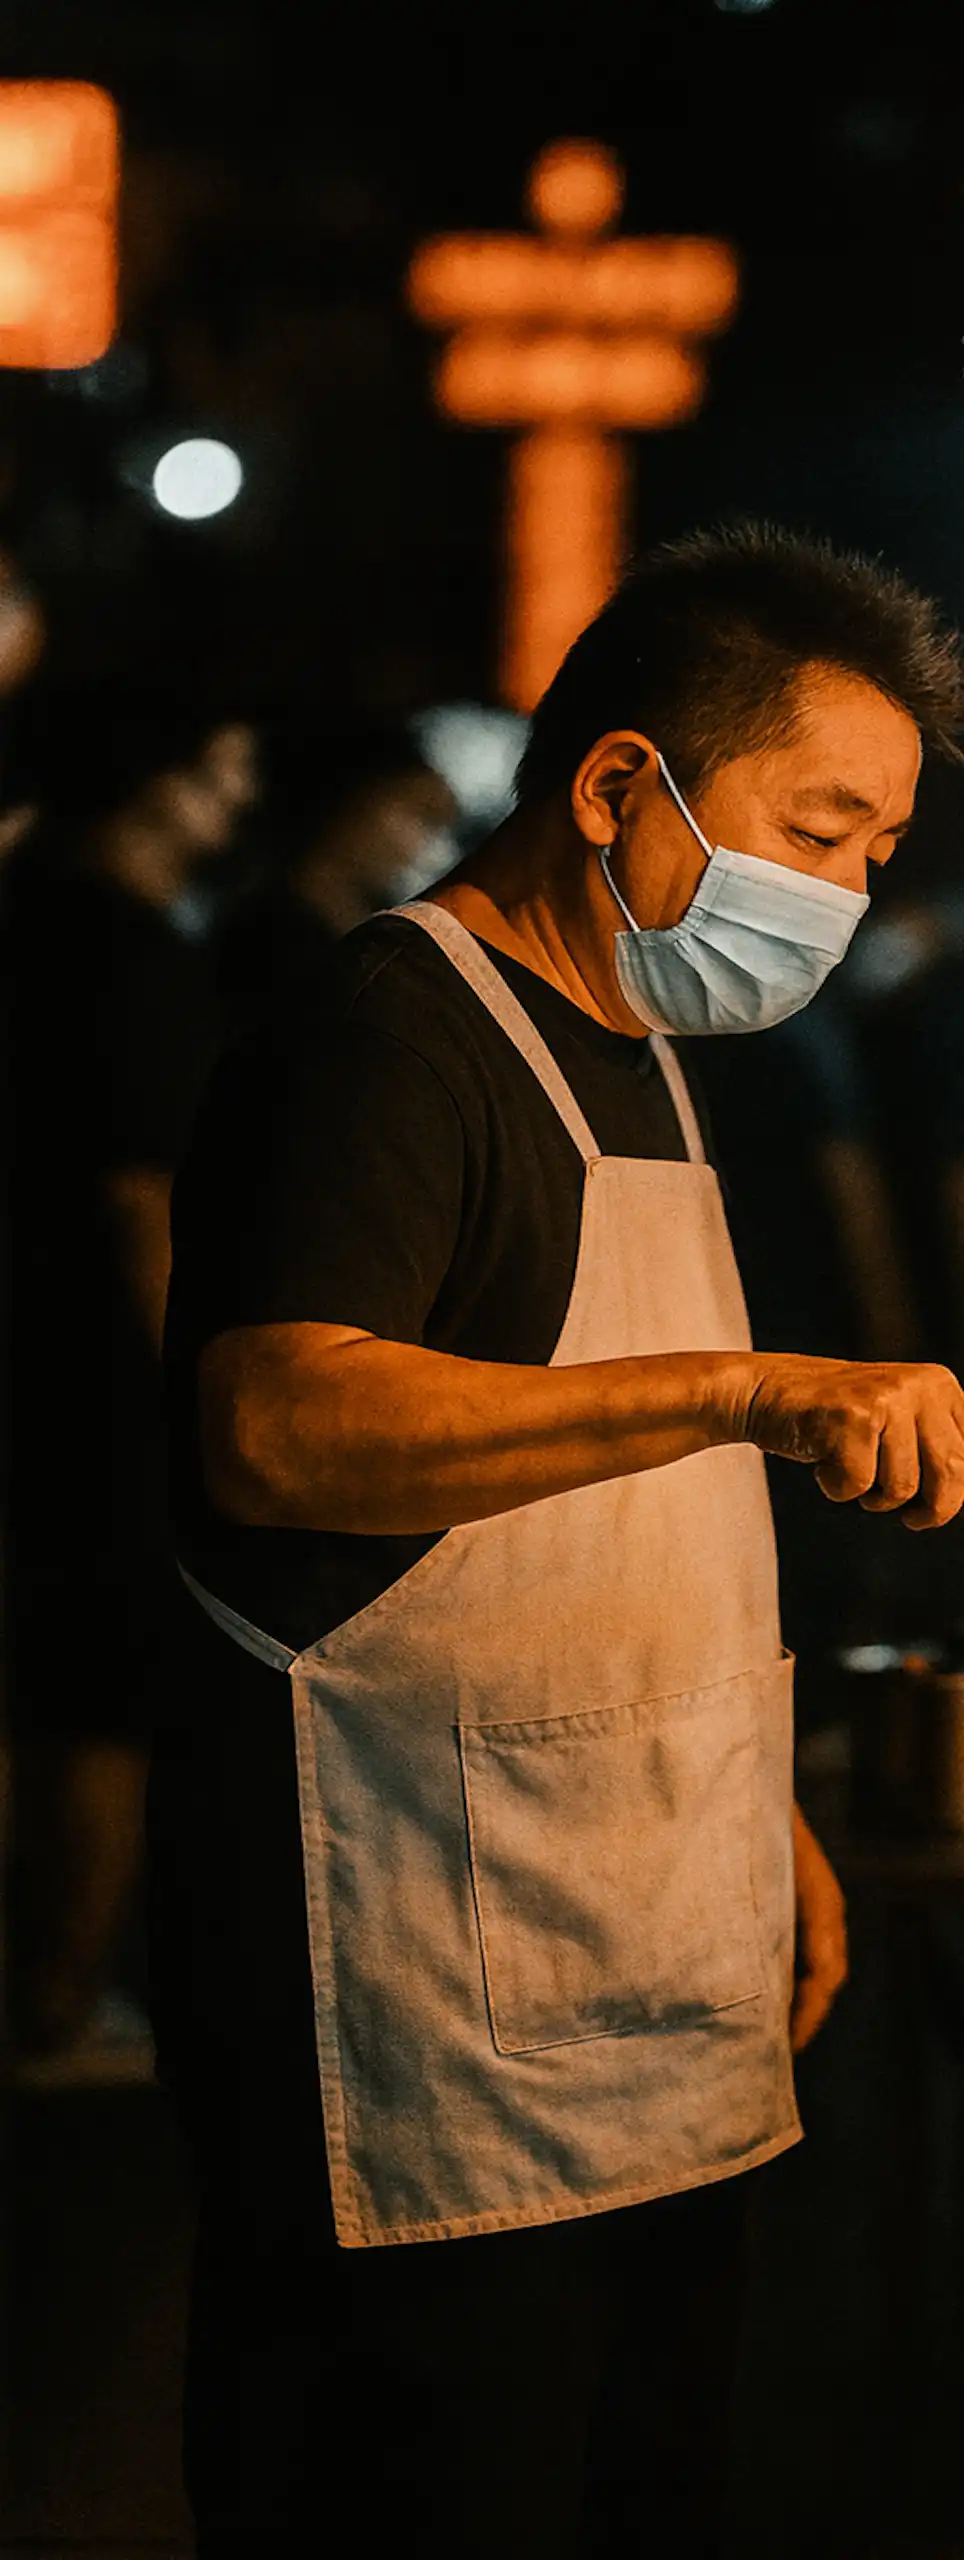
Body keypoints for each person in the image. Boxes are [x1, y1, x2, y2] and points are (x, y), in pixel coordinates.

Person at [156, 525, 964, 2555]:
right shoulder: (392, 1027)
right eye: (817, 825)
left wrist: (754, 1818)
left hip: (626, 1948)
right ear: (624, 784)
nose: (843, 890)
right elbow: (279, 1422)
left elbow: (628, 1528)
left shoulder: (634, 1052)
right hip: (412, 1992)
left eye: (878, 851)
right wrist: (753, 1386)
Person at [1, 689, 257, 2069]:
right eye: (221, 764)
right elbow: (142, 1204)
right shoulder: (135, 952)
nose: (237, 794)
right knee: (105, 1698)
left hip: (29, 1352)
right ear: (157, 782)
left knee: (31, 1680)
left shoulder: (25, 921)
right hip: (104, 1369)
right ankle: (58, 1996)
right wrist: (195, 1394)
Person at [216, 717, 458, 1029]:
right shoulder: (271, 939)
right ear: (355, 801)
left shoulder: (373, 943)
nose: (420, 845)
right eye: (415, 815)